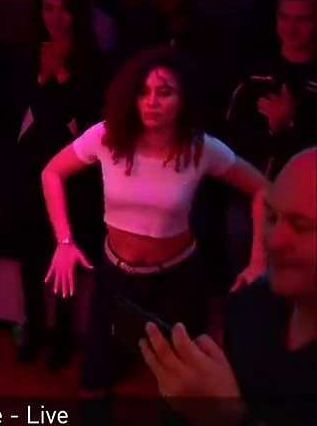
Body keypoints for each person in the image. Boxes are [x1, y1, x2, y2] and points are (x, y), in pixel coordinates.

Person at [39, 46, 267, 422]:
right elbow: (52, 172)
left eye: (165, 92)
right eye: (144, 92)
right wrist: (64, 241)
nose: (152, 102)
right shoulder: (107, 136)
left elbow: (262, 189)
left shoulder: (199, 147)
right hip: (116, 274)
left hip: (180, 276)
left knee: (183, 387)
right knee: (93, 379)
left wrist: (257, 260)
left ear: (183, 99)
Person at [141, 147, 317, 426]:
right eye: (272, 217)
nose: (275, 240)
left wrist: (227, 417)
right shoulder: (251, 305)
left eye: (301, 225)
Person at [9, 0, 107, 370]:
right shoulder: (29, 53)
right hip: (29, 170)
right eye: (49, 8)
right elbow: (17, 106)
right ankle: (34, 327)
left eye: (64, 9)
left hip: (73, 177)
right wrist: (41, 78)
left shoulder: (91, 59)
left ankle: (64, 335)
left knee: (64, 251)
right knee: (30, 255)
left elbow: (89, 114)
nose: (56, 17)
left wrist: (62, 75)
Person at [223, 0, 317, 275]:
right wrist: (271, 130)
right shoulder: (255, 69)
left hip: (306, 205)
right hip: (250, 198)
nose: (291, 28)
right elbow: (229, 131)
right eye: (284, 18)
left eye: (302, 20)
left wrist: (294, 120)